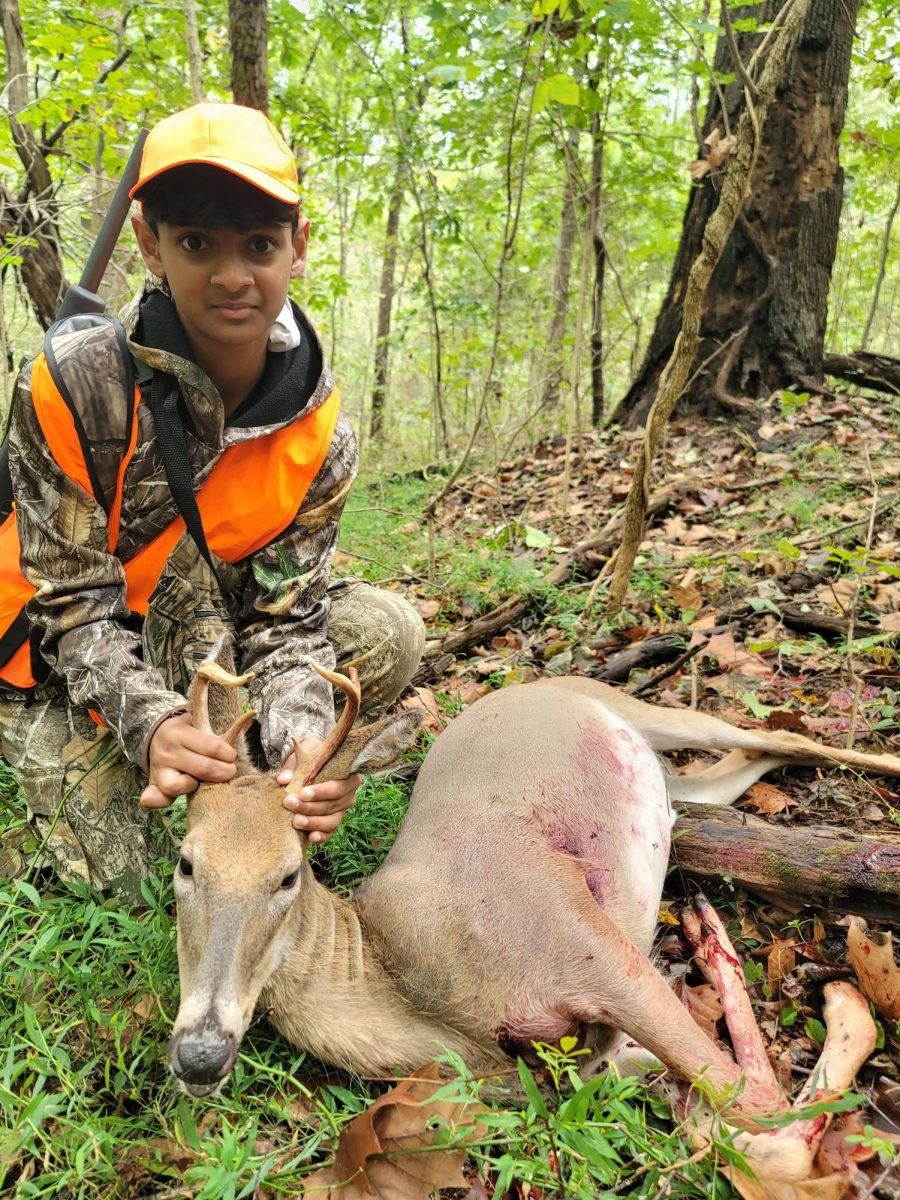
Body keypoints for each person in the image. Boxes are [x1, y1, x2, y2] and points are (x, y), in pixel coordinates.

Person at [0, 103, 425, 902]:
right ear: (150, 244)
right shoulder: (75, 384)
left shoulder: (321, 427)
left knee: (389, 633)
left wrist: (303, 746)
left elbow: (288, 616)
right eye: (198, 243)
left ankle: (252, 764)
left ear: (298, 248)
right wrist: (153, 724)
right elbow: (70, 610)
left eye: (260, 244)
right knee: (145, 883)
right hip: (41, 654)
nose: (233, 275)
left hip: (195, 625)